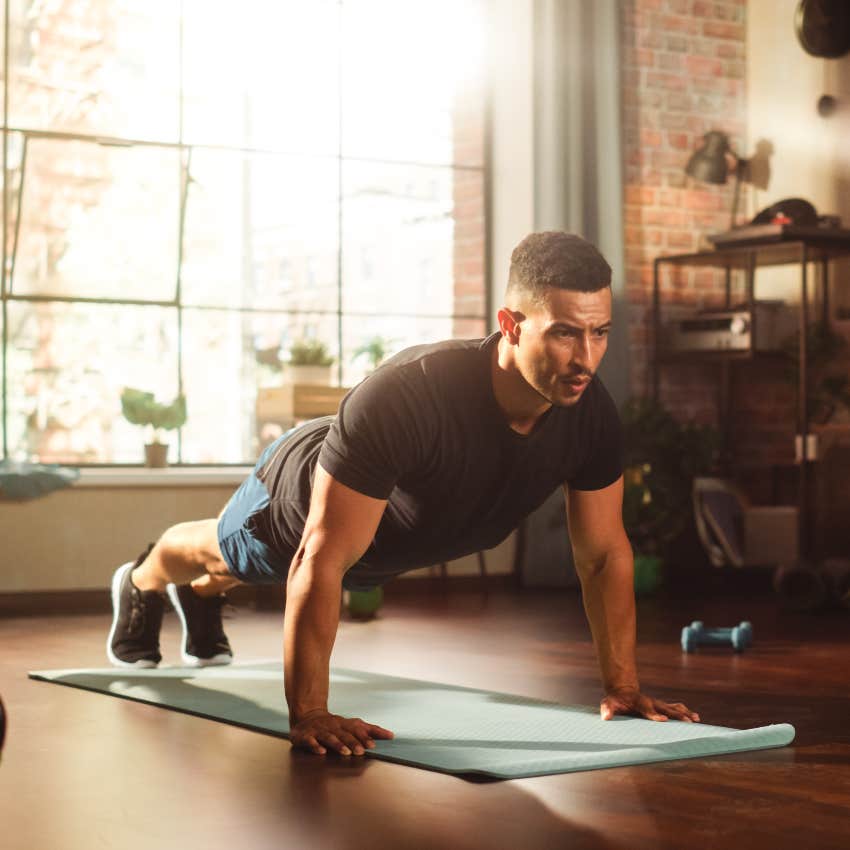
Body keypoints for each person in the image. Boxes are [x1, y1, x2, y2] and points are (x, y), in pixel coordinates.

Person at [106, 231, 701, 758]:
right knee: (226, 553)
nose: (587, 358)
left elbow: (601, 554)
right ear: (512, 324)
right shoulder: (409, 396)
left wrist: (622, 688)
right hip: (299, 500)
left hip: (378, 546)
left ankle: (204, 598)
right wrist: (310, 713)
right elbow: (323, 558)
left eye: (600, 334)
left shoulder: (589, 413)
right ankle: (144, 577)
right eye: (566, 334)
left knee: (276, 571)